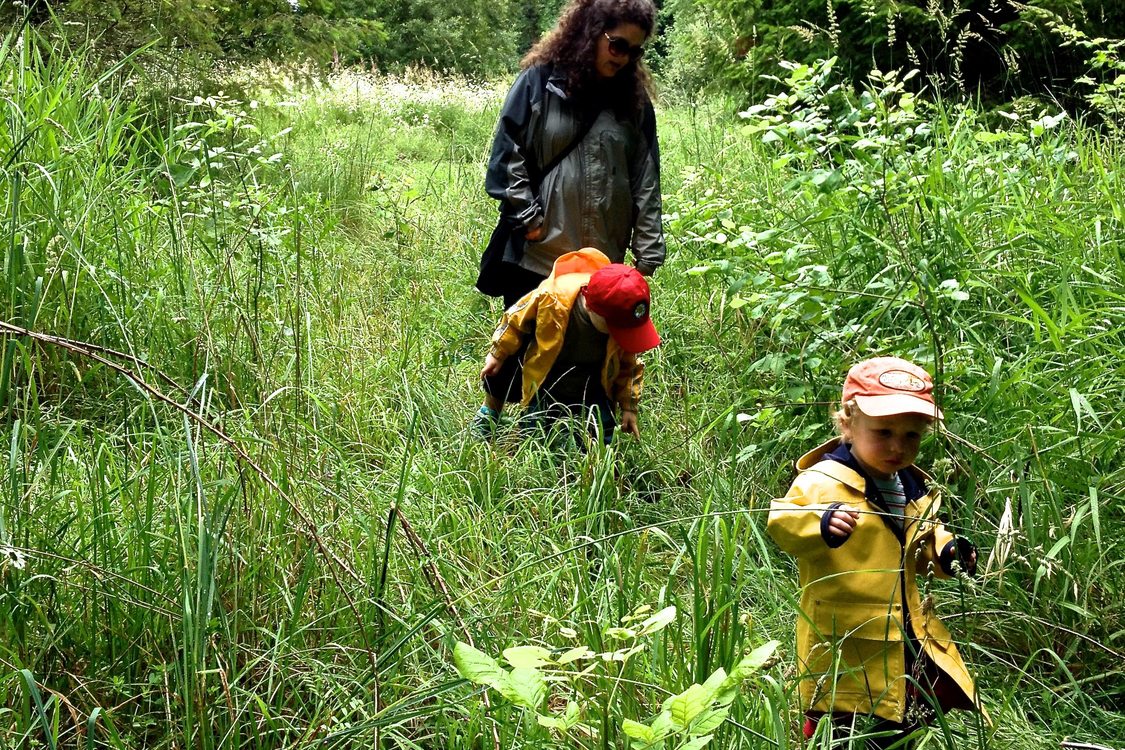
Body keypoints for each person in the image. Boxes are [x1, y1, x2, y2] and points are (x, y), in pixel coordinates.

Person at [767, 357, 986, 749]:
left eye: (912, 436)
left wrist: (947, 551)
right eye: (883, 432)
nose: (898, 447)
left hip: (905, 634)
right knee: (845, 725)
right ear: (848, 423)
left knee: (905, 716)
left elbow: (922, 540)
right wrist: (820, 523)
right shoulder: (822, 481)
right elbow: (783, 523)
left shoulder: (911, 484)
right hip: (844, 643)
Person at [475, 0, 665, 430]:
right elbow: (508, 157)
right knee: (526, 336)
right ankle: (492, 413)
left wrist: (648, 247)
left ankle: (570, 431)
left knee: (592, 350)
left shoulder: (633, 103)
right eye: (617, 44)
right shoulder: (540, 82)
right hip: (541, 251)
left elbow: (645, 176)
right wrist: (530, 219)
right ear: (589, 30)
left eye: (634, 51)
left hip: (602, 260)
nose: (623, 57)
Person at [475, 247, 659, 445]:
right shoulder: (551, 298)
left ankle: (594, 463)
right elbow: (514, 320)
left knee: (602, 433)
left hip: (595, 385)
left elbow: (630, 365)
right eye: (616, 328)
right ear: (590, 306)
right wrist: (497, 353)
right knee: (535, 429)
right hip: (547, 379)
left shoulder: (622, 321)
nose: (621, 335)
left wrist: (629, 407)